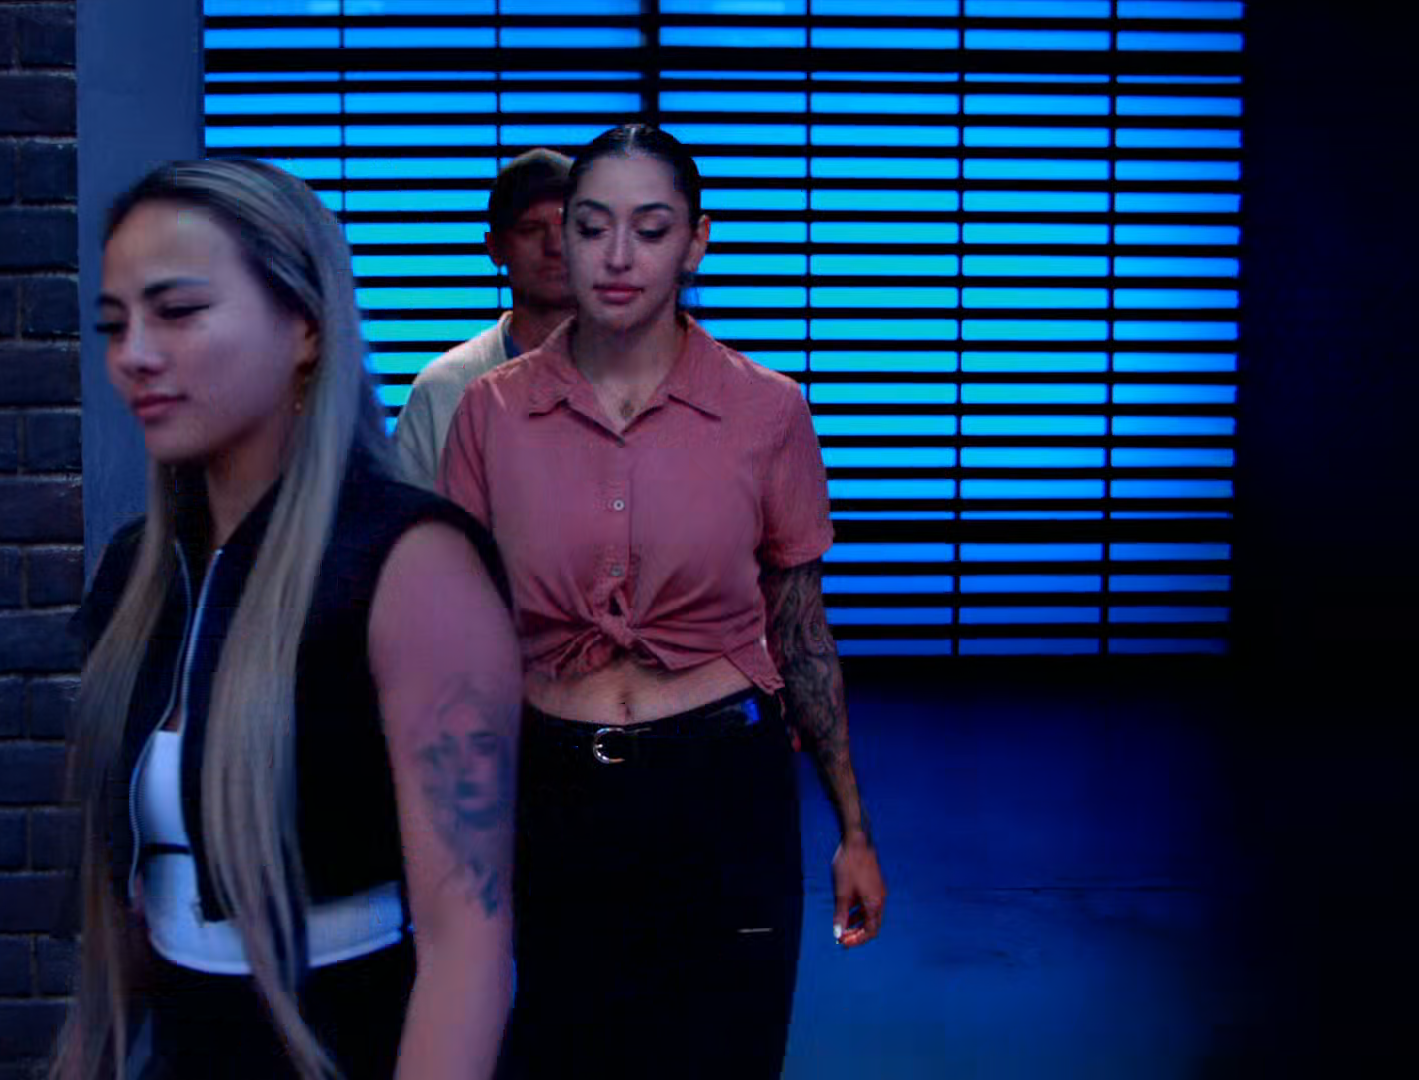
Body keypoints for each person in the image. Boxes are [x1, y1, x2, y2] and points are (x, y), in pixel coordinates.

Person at [56, 158, 522, 1080]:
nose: (134, 354)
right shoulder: (138, 573)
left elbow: (468, 950)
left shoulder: (412, 563)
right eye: (115, 324)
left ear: (304, 325)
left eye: (178, 311)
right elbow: (132, 910)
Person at [439, 124, 889, 1078]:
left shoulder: (768, 410)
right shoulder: (491, 412)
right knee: (565, 1053)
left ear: (695, 242)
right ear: (562, 240)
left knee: (725, 1054)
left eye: (649, 229)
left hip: (723, 785)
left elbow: (802, 632)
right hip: (555, 787)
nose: (617, 256)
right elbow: (457, 645)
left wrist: (852, 828)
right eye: (590, 226)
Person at [392, 149, 577, 490]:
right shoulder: (443, 389)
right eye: (530, 229)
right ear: (495, 248)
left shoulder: (638, 378)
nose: (554, 246)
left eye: (569, 227)